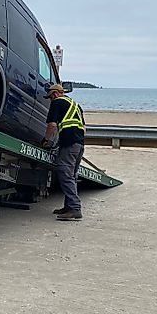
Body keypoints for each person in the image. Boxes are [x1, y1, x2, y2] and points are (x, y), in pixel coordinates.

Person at [42, 84, 86, 221]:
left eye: (50, 97)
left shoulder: (57, 102)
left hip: (69, 144)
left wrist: (46, 140)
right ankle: (68, 206)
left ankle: (74, 208)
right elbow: (84, 128)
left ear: (55, 94)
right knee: (72, 176)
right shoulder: (76, 105)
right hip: (79, 144)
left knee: (65, 174)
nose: (50, 100)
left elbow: (52, 125)